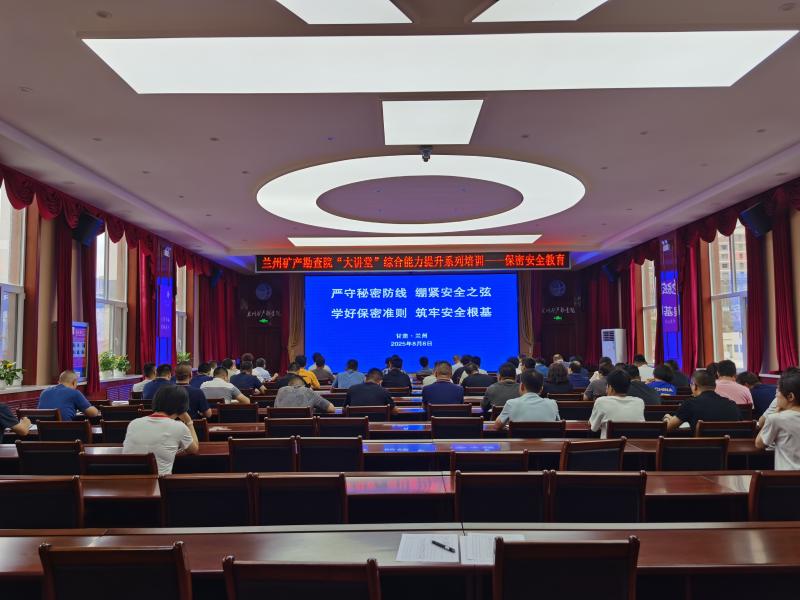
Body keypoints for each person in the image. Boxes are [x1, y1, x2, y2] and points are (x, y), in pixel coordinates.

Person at [122, 384, 199, 475]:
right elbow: (194, 450)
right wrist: (189, 422)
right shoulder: (179, 427)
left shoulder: (134, 423)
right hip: (159, 482)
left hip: (129, 479)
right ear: (183, 407)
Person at [663, 370, 740, 432]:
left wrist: (667, 418)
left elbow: (668, 428)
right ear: (714, 386)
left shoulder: (690, 403)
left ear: (695, 386)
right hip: (730, 446)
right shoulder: (732, 404)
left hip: (701, 447)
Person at [756, 369, 800, 469]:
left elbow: (759, 444)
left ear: (790, 396)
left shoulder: (776, 418)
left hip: (785, 477)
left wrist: (774, 413)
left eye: (778, 391)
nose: (776, 395)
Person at [494, 370, 560, 430]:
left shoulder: (511, 403)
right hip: (546, 440)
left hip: (518, 440)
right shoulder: (552, 404)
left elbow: (497, 426)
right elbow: (558, 426)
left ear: (522, 386)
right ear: (541, 389)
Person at [588, 369, 645, 439]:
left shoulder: (601, 401)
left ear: (611, 388)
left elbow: (594, 428)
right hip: (634, 444)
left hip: (610, 445)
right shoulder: (639, 402)